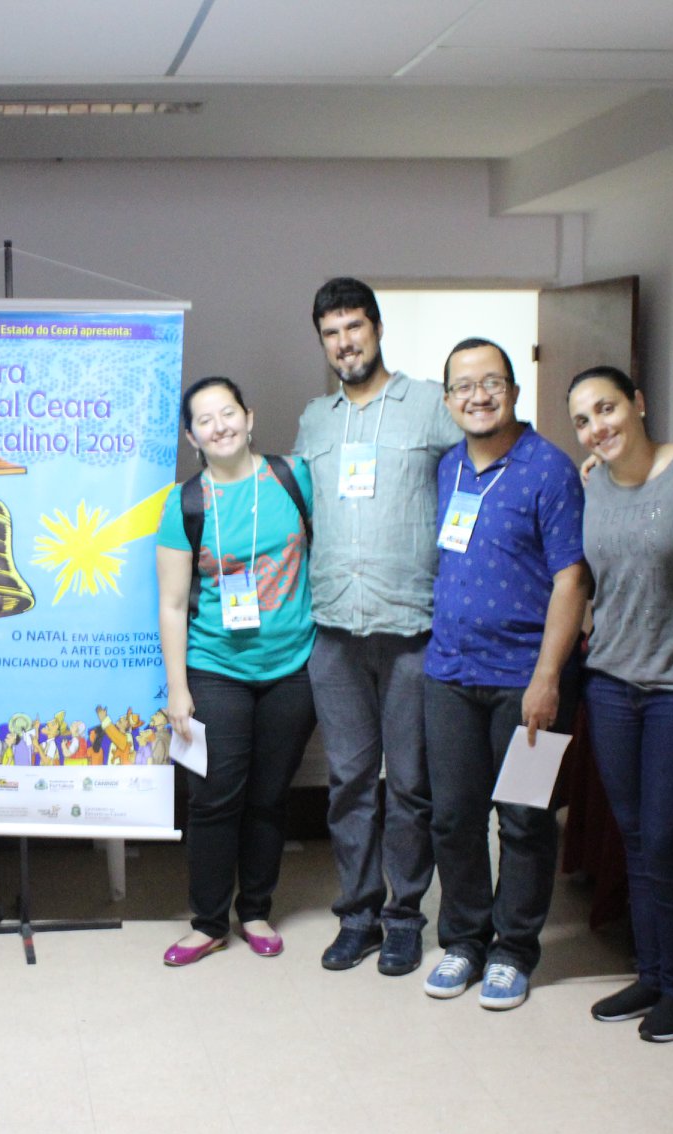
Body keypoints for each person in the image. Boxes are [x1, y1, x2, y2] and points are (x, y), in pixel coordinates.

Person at [293, 277, 461, 975]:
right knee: (349, 783)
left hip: (412, 625)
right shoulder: (315, 420)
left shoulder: (430, 405)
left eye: (354, 327)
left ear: (378, 328)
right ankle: (357, 914)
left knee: (411, 786)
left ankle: (404, 917)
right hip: (334, 628)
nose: (344, 343)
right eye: (331, 333)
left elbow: (485, 462)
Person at [422, 338, 589, 1010]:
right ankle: (464, 940)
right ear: (447, 401)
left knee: (523, 818)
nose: (478, 396)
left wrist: (548, 677)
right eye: (463, 386)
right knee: (453, 818)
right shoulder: (448, 467)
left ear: (515, 392)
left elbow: (571, 578)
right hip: (450, 674)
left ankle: (513, 951)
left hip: (527, 678)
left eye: (491, 382)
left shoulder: (550, 470)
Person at [570, 367, 673, 1042]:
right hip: (611, 681)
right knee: (633, 837)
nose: (596, 427)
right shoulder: (593, 485)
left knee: (670, 839)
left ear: (637, 403)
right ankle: (652, 972)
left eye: (606, 408)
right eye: (582, 420)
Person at [155, 377, 317, 965]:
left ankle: (255, 909)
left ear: (249, 417)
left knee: (269, 796)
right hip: (215, 667)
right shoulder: (184, 503)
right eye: (205, 419)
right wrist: (178, 689)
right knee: (214, 797)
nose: (219, 426)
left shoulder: (294, 479)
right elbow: (173, 603)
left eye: (228, 413)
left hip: (293, 666)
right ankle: (207, 922)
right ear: (191, 437)